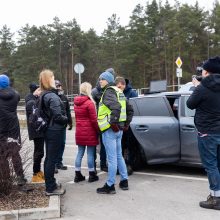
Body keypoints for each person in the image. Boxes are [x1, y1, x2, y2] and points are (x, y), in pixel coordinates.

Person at [186, 56, 220, 210]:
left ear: (207, 72)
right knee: (218, 165)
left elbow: (190, 104)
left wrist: (196, 87)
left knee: (211, 166)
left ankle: (215, 198)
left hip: (207, 132)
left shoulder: (202, 87)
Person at [96, 71, 134, 194]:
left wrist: (113, 123)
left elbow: (116, 107)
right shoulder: (119, 91)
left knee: (112, 159)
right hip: (119, 130)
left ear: (107, 80)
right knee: (118, 156)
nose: (99, 81)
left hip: (110, 130)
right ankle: (124, 180)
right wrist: (126, 124)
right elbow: (130, 109)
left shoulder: (108, 92)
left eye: (101, 79)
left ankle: (110, 185)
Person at [39, 69, 67, 196]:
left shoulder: (44, 94)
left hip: (49, 130)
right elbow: (58, 116)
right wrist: (66, 119)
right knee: (51, 159)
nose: (54, 79)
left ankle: (51, 183)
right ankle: (50, 187)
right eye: (53, 77)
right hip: (54, 130)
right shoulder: (51, 96)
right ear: (48, 79)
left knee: (49, 158)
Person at [0, 74, 26, 186]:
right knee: (15, 153)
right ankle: (20, 177)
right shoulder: (16, 95)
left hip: (1, 129)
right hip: (13, 128)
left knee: (2, 155)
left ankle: (6, 179)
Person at [74, 82, 99, 183]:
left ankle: (77, 174)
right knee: (90, 154)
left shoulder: (76, 102)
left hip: (79, 130)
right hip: (90, 131)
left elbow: (76, 118)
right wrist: (98, 130)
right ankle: (92, 174)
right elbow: (94, 120)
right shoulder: (89, 103)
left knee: (80, 153)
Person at [91, 68, 115, 172]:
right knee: (97, 143)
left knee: (103, 144)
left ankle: (102, 163)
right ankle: (96, 164)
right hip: (99, 120)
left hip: (103, 119)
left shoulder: (105, 89)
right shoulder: (96, 91)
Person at [115, 77, 137, 175]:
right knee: (120, 146)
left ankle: (129, 165)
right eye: (117, 85)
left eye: (120, 85)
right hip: (119, 125)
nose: (119, 87)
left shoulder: (132, 93)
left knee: (129, 146)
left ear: (124, 84)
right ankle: (120, 166)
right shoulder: (116, 92)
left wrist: (128, 123)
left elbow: (134, 109)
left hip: (129, 125)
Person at [25, 83, 45, 183]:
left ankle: (37, 171)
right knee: (39, 152)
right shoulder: (31, 101)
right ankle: (35, 174)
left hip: (38, 130)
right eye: (39, 90)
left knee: (39, 151)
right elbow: (35, 116)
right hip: (36, 130)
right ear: (34, 91)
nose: (40, 92)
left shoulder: (35, 99)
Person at [55, 80, 73, 171]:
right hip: (54, 126)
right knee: (54, 145)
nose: (58, 87)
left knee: (62, 144)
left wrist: (70, 122)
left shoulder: (64, 97)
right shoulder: (52, 97)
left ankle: (59, 162)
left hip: (63, 125)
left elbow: (68, 111)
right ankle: (53, 164)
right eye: (56, 86)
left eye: (59, 86)